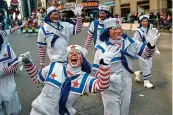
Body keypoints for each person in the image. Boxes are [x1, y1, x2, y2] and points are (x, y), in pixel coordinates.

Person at [19, 44, 119, 115]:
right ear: (67, 58)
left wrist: (105, 66)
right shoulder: (54, 66)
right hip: (39, 110)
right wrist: (28, 64)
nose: (74, 54)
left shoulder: (85, 78)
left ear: (82, 59)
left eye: (78, 53)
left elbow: (102, 86)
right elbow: (37, 78)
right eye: (71, 53)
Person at [92, 18, 160, 115]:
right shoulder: (101, 48)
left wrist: (150, 46)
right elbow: (95, 71)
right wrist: (106, 74)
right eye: (115, 28)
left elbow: (146, 55)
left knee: (125, 111)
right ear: (107, 31)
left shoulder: (130, 42)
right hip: (109, 86)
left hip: (127, 84)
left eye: (120, 28)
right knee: (111, 113)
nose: (119, 31)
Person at [133, 15, 160, 88]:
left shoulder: (150, 30)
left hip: (149, 50)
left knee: (149, 66)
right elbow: (135, 41)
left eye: (146, 21)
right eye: (143, 21)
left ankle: (138, 73)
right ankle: (146, 81)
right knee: (145, 65)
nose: (145, 22)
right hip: (141, 50)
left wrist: (155, 49)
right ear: (140, 22)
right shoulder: (138, 31)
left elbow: (153, 42)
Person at [0, 34, 21, 115]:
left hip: (7, 84)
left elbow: (15, 67)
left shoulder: (7, 49)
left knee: (14, 110)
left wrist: (4, 71)